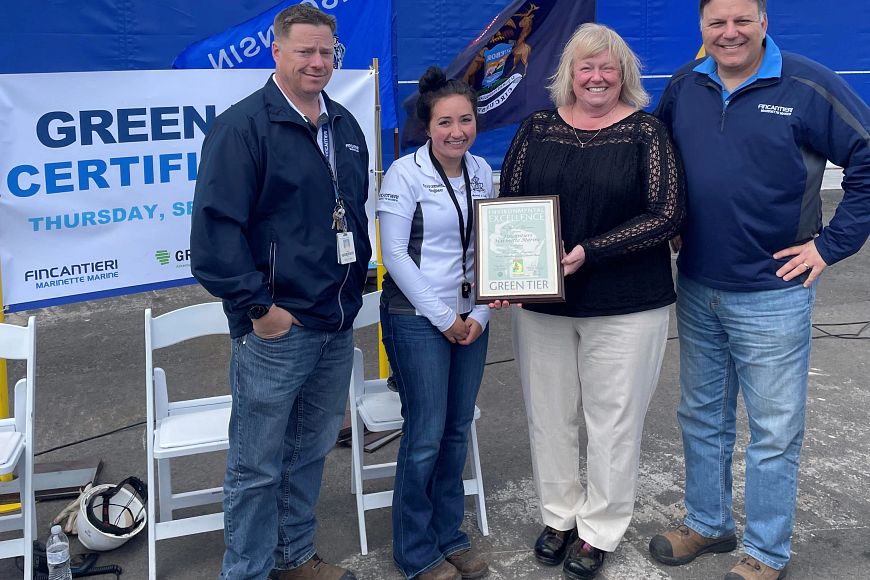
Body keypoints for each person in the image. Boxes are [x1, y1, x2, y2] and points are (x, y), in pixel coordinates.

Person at [648, 1, 870, 579]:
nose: (730, 33)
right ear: (702, 27)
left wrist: (828, 246)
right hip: (697, 285)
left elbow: (867, 156)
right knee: (701, 415)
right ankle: (708, 524)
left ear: (764, 22)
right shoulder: (684, 85)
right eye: (717, 22)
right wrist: (671, 223)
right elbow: (661, 163)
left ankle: (768, 552)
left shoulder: (806, 84)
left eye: (742, 20)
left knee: (773, 432)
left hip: (773, 292)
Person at [495, 23, 685, 580]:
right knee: (549, 417)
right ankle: (559, 516)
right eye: (585, 67)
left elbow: (666, 213)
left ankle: (598, 529)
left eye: (608, 68)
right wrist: (512, 266)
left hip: (628, 304)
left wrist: (588, 250)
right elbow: (510, 201)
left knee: (613, 423)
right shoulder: (537, 128)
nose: (597, 77)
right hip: (544, 302)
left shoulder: (646, 133)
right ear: (568, 76)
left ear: (624, 74)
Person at [190, 4, 370, 580]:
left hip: (333, 323)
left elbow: (352, 215)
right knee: (256, 467)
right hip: (277, 329)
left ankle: (293, 558)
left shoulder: (342, 123)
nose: (318, 63)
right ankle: (245, 570)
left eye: (327, 53)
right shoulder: (242, 127)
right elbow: (215, 236)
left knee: (308, 455)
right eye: (305, 52)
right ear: (277, 53)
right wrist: (259, 309)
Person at [377, 66, 495, 580]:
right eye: (445, 122)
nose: (456, 132)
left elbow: (492, 249)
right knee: (425, 433)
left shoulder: (483, 170)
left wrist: (483, 312)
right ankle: (415, 549)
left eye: (465, 120)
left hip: (472, 320)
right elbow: (396, 256)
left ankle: (451, 536)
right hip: (417, 318)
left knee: (454, 430)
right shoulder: (404, 174)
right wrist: (446, 317)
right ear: (428, 127)